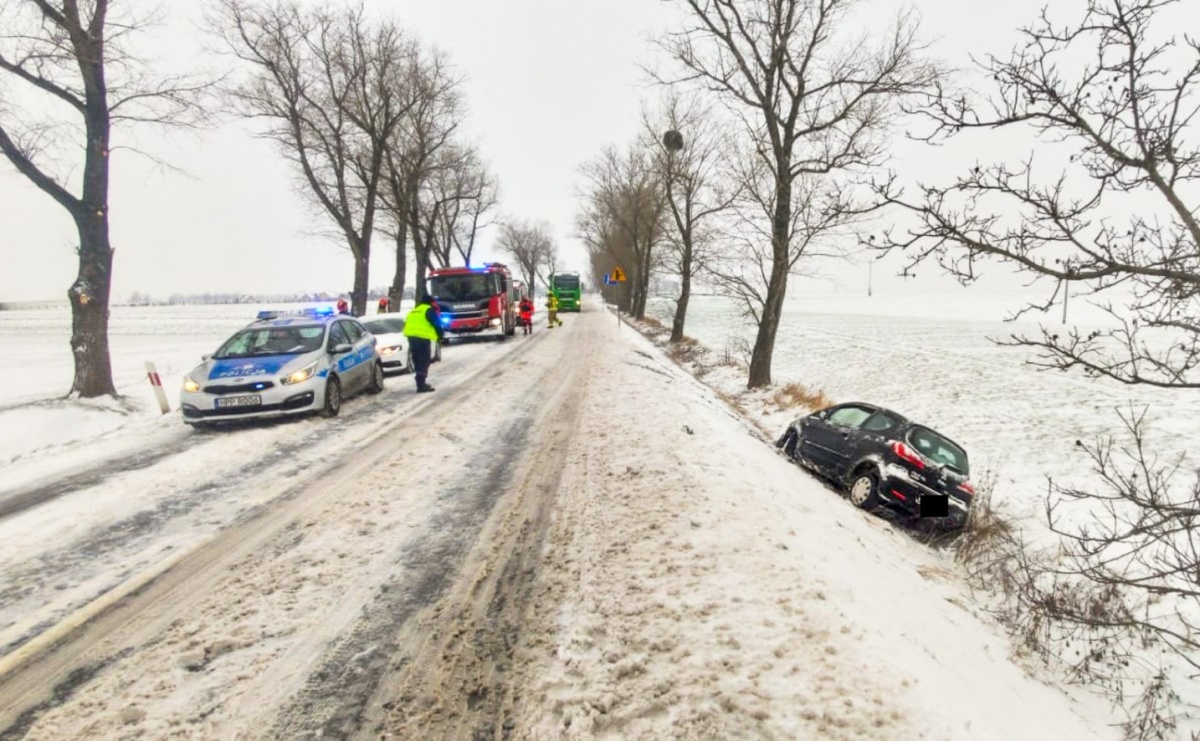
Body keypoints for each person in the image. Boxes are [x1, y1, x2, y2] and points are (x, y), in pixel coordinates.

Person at [403, 293, 445, 393]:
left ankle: (420, 382)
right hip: (422, 338)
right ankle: (421, 385)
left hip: (411, 338)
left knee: (417, 360)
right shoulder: (429, 310)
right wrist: (441, 336)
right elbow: (436, 324)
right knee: (424, 360)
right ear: (430, 302)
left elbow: (406, 324)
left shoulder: (413, 311)